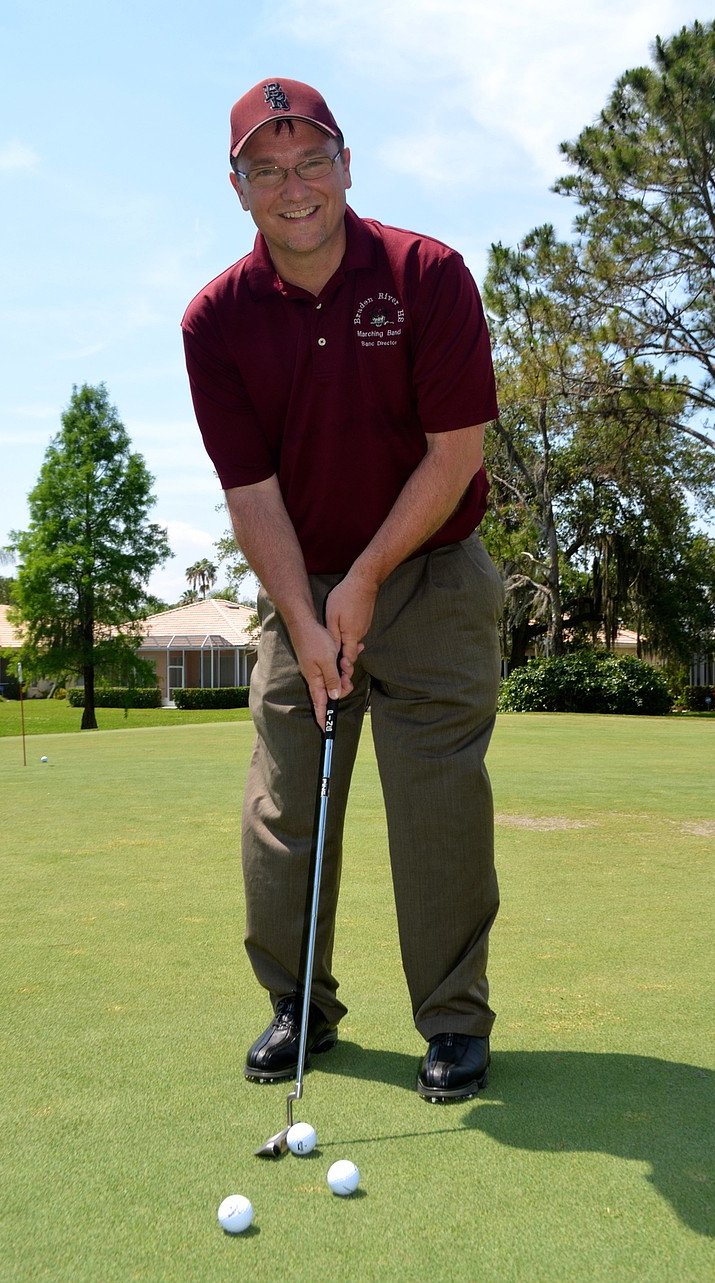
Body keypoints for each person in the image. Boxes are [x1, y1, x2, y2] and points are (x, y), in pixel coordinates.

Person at [182, 77, 504, 1102]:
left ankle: (452, 1019)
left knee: (436, 803)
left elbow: (455, 454)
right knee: (284, 802)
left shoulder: (426, 275)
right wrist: (304, 615)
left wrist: (366, 576)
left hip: (432, 570)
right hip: (298, 577)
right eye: (267, 169)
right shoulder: (215, 320)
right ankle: (298, 1004)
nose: (295, 186)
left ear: (347, 165)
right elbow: (251, 492)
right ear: (238, 187)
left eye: (311, 160)